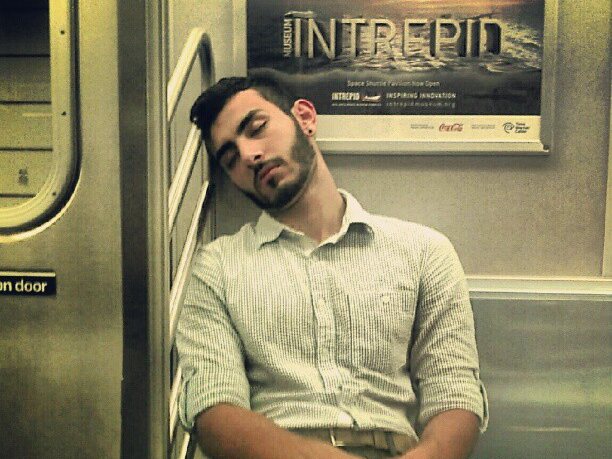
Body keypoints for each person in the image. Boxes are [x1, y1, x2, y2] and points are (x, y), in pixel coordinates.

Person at [176, 75, 488, 459]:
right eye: (230, 158)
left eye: (256, 129)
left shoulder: (423, 252)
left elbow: (454, 391)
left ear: (305, 118)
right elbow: (216, 415)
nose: (248, 155)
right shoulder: (218, 269)